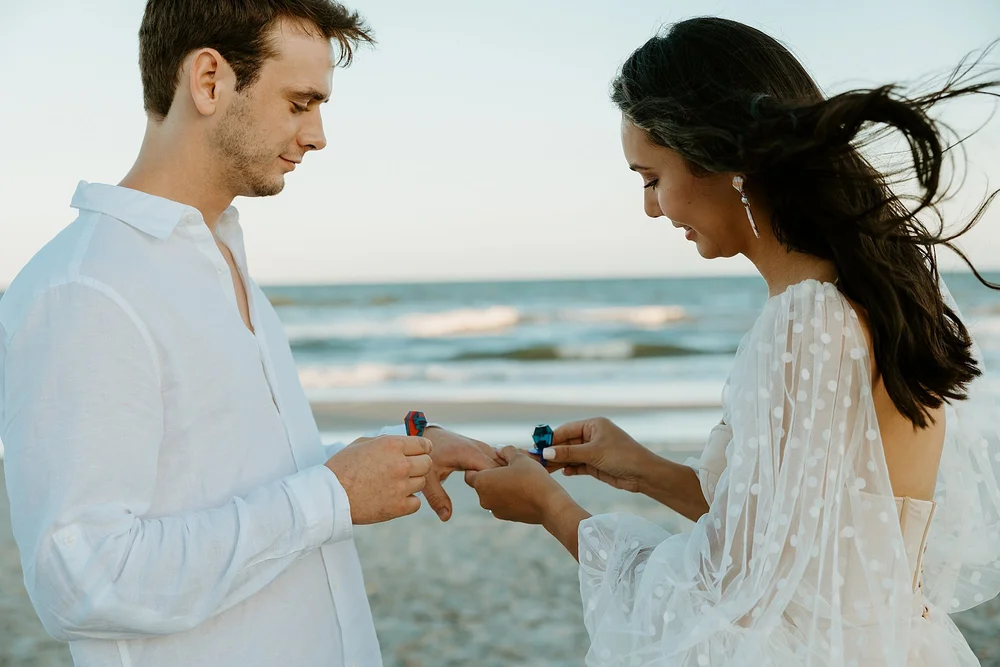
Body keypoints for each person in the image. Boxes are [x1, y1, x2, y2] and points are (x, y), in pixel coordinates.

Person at [466, 17, 1000, 667]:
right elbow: (808, 543)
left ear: (720, 156)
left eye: (650, 177)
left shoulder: (804, 325)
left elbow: (719, 599)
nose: (651, 209)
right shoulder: (871, 295)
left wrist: (549, 507)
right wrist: (645, 470)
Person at [0, 2, 497, 666]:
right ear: (209, 80)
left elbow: (240, 482)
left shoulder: (218, 256)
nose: (318, 135)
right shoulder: (88, 289)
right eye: (299, 103)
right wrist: (331, 495)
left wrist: (396, 460)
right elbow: (84, 578)